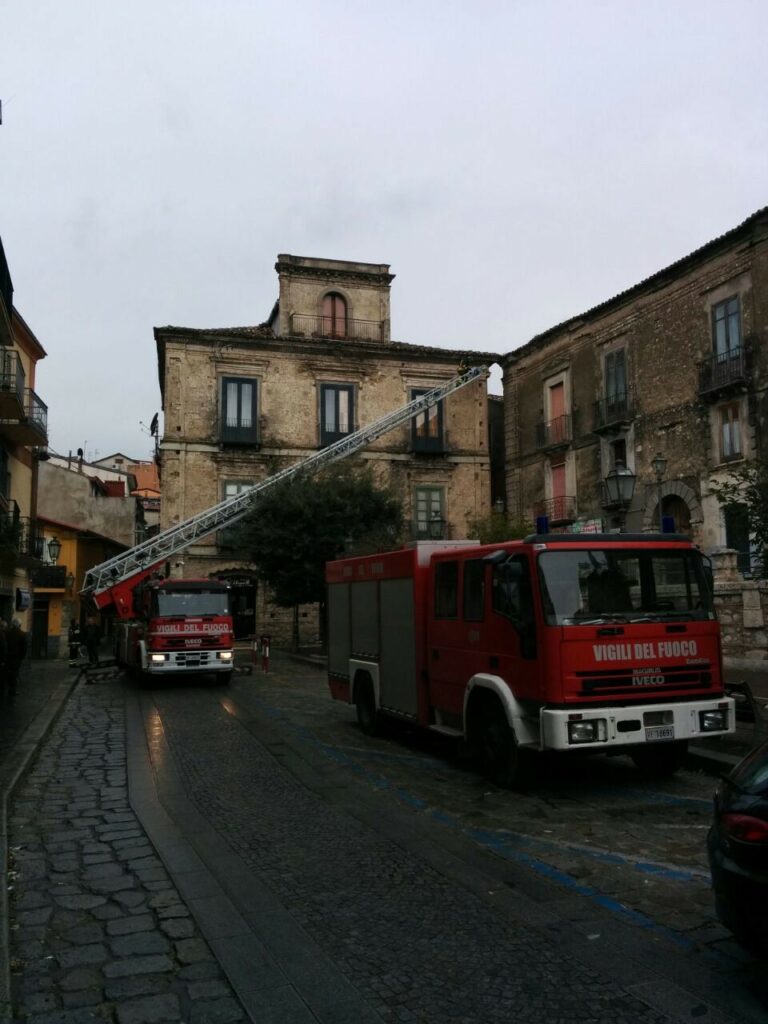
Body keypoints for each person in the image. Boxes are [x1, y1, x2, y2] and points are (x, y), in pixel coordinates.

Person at [5, 619, 27, 698]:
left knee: (6, 672)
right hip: (16, 658)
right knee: (14, 674)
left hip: (7, 657)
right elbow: (24, 648)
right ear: (19, 625)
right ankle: (12, 690)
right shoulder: (22, 634)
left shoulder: (6, 633)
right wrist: (22, 657)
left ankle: (5, 688)